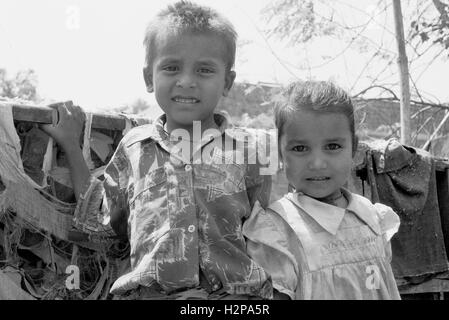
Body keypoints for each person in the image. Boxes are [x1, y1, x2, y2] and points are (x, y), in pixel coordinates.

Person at [42, 0, 273, 300]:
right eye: (171, 67)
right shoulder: (135, 148)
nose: (187, 81)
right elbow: (99, 221)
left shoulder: (250, 152)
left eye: (204, 70)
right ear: (149, 78)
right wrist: (71, 145)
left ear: (227, 82)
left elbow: (269, 236)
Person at [243, 80, 401, 300]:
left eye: (333, 146)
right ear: (280, 154)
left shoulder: (372, 218)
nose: (317, 163)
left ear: (353, 148)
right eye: (300, 148)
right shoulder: (277, 232)